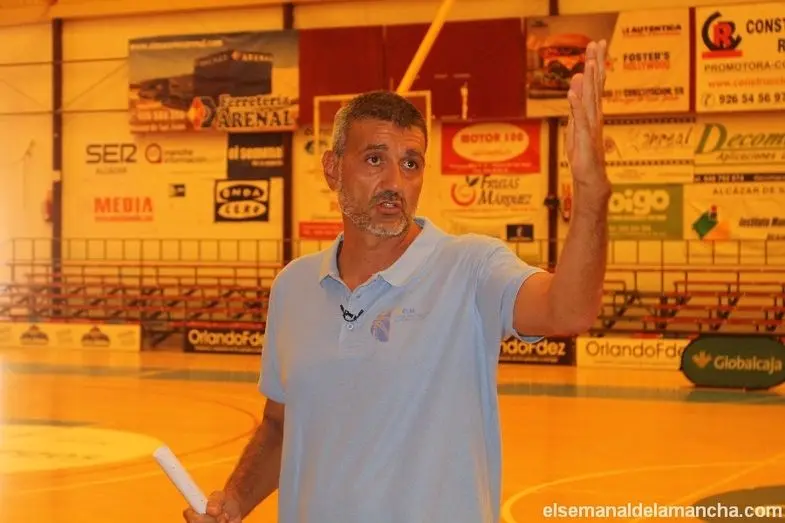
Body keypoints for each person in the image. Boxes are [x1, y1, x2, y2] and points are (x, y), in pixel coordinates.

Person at [184, 40, 610, 523]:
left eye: (410, 163)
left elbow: (568, 310)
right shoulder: (293, 286)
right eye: (374, 159)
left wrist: (591, 193)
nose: (394, 182)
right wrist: (235, 500)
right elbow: (282, 425)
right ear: (332, 169)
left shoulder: (471, 266)